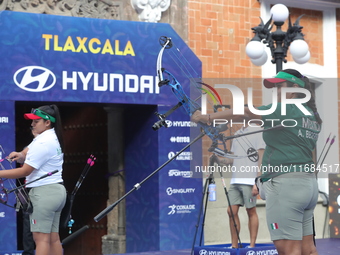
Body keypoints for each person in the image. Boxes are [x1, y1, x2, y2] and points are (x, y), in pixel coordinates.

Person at [192, 69, 321, 255]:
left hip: (286, 186)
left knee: (288, 250)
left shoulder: (286, 109)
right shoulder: (311, 115)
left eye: (280, 87)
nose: (276, 91)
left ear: (295, 89)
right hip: (308, 185)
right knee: (308, 249)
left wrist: (206, 118)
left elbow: (245, 113)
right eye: (275, 88)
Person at [1, 105, 66, 255]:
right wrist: (21, 154)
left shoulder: (43, 143)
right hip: (56, 192)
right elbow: (29, 150)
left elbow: (24, 171)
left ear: (47, 122)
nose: (32, 124)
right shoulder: (49, 137)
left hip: (44, 194)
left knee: (41, 239)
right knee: (52, 238)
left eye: (36, 121)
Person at [221, 123, 265, 249]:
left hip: (249, 180)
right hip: (235, 180)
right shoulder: (237, 133)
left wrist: (257, 181)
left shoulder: (258, 131)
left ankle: (252, 245)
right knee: (231, 211)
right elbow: (233, 159)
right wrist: (219, 160)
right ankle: (234, 245)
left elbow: (261, 157)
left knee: (250, 211)